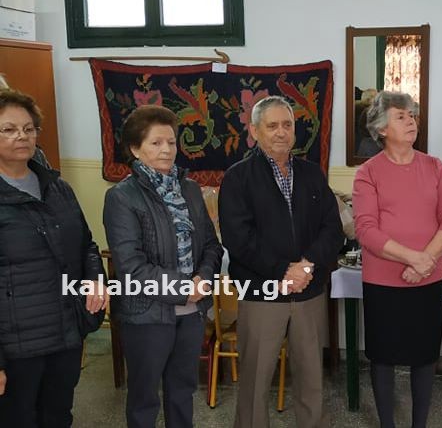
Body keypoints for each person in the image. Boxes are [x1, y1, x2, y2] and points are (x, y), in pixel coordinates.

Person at [219, 95, 343, 428]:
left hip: (308, 292)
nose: (281, 132)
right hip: (263, 293)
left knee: (311, 379)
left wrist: (307, 265)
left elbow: (332, 229)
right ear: (254, 131)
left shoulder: (312, 173)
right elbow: (238, 238)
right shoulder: (238, 178)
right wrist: (282, 271)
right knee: (255, 381)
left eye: (287, 124)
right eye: (272, 125)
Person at [103, 104, 222, 428]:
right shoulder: (122, 197)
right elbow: (131, 266)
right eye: (156, 143)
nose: (167, 149)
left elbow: (211, 245)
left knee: (182, 392)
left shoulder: (190, 189)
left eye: (171, 141)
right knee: (144, 400)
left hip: (192, 313)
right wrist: (185, 289)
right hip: (147, 315)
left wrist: (203, 278)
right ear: (134, 149)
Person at [352, 90, 442, 428]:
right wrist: (414, 258)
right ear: (382, 128)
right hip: (383, 282)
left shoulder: (434, 166)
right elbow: (366, 230)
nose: (411, 121)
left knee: (424, 356)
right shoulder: (368, 172)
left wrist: (426, 260)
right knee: (383, 356)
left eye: (412, 115)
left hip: (428, 278)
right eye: (401, 116)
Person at [0, 89, 107, 426]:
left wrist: (96, 279)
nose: (21, 136)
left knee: (59, 416)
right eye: (9, 129)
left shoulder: (58, 188)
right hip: (16, 345)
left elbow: (87, 244)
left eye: (29, 128)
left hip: (65, 333)